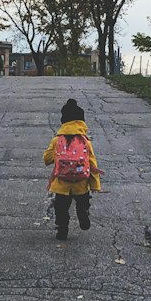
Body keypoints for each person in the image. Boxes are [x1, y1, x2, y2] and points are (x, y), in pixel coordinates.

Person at [43, 97, 102, 240]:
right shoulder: (85, 141)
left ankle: (62, 229)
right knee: (83, 200)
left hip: (61, 184)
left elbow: (47, 159)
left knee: (61, 208)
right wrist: (95, 184)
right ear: (81, 121)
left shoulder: (57, 140)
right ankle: (83, 211)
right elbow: (92, 163)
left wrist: (56, 155)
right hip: (81, 183)